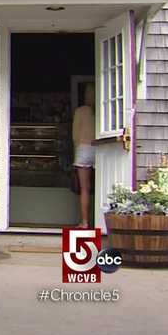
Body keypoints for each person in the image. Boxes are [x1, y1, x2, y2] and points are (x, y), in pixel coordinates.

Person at [72, 84, 95, 229]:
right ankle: (102, 221)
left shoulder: (80, 111)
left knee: (85, 188)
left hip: (83, 148)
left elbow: (75, 135)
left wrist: (75, 151)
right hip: (100, 147)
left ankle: (85, 222)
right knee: (104, 186)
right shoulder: (103, 109)